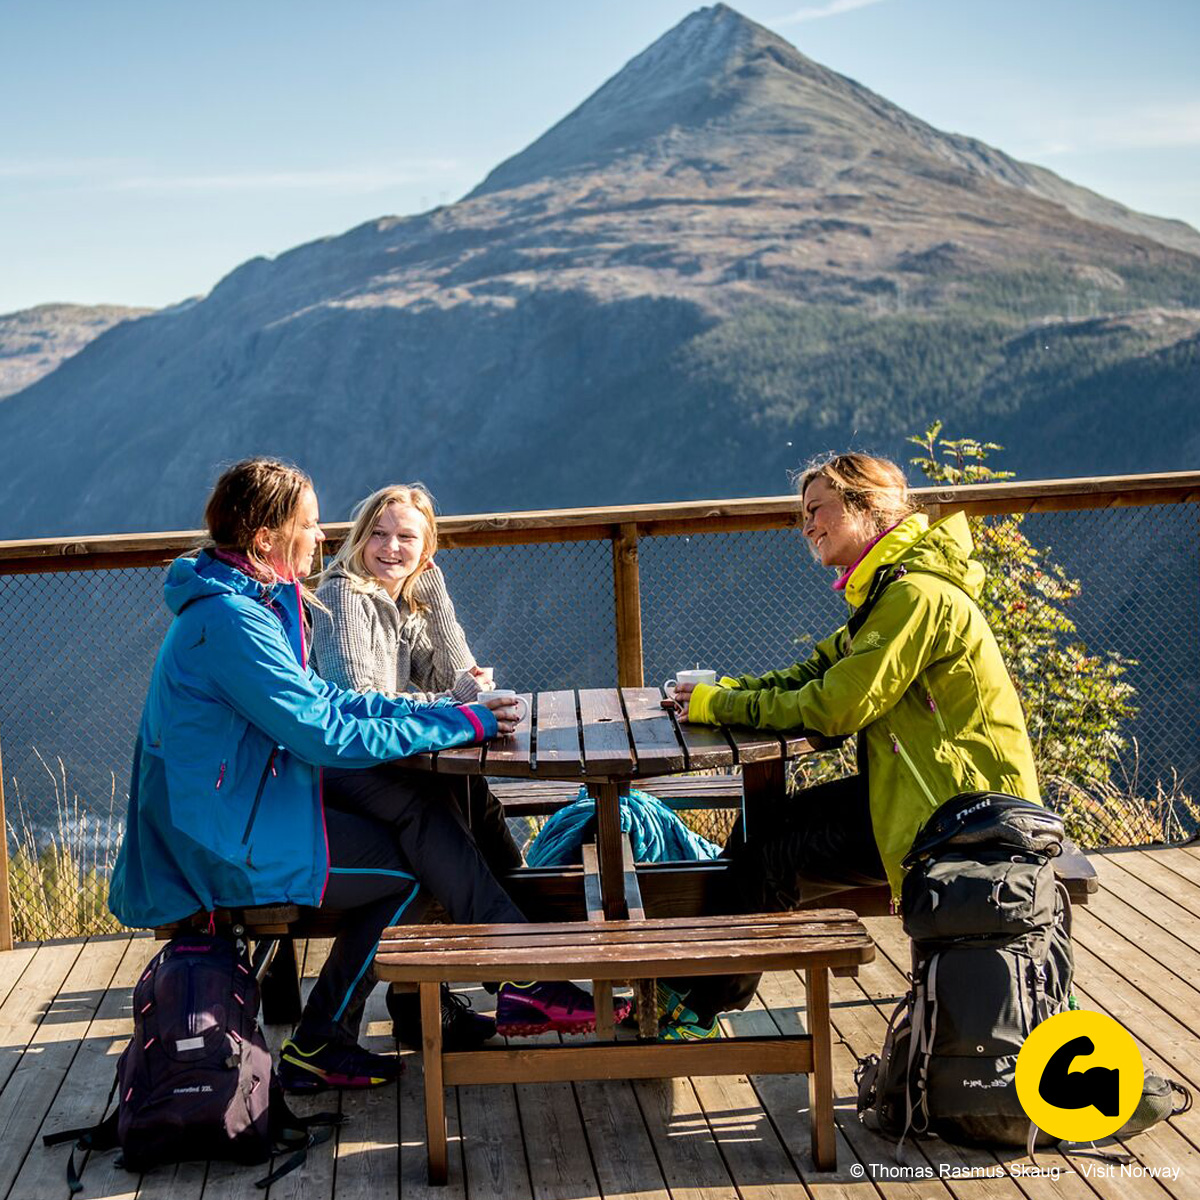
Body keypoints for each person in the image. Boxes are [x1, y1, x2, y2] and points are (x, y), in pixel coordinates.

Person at [109, 458, 619, 1093]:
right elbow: (324, 733)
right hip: (219, 842)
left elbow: (323, 698)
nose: (322, 538)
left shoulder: (242, 603)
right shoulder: (232, 623)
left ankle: (510, 975)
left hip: (248, 810)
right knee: (408, 868)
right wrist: (463, 723)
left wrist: (444, 712)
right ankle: (353, 1028)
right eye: (310, 525)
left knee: (423, 826)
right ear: (267, 538)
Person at [665, 452, 1041, 1041]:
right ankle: (701, 992)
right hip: (919, 800)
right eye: (802, 514)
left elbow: (836, 706)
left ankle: (698, 1011)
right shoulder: (888, 593)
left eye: (818, 510)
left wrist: (722, 707)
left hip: (962, 821)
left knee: (771, 858)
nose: (807, 524)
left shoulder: (915, 597)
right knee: (759, 829)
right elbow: (816, 670)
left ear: (868, 509)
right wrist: (726, 692)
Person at [310, 483, 524, 1048]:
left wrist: (428, 582)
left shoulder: (400, 594)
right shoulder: (344, 599)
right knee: (436, 821)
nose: (389, 547)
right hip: (336, 771)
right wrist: (458, 701)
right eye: (377, 534)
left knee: (471, 798)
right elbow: (359, 702)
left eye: (406, 537)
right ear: (357, 540)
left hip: (372, 765)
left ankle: (462, 988)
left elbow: (460, 672)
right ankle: (523, 963)